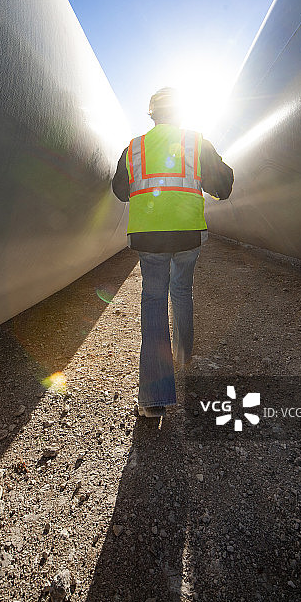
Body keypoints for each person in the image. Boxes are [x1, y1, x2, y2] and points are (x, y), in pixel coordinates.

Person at [112, 87, 234, 418]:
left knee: (154, 300)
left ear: (152, 115)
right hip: (185, 234)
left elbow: (120, 191)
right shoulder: (196, 143)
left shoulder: (134, 148)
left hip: (148, 236)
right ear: (180, 114)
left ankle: (153, 400)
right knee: (181, 290)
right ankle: (183, 355)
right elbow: (224, 186)